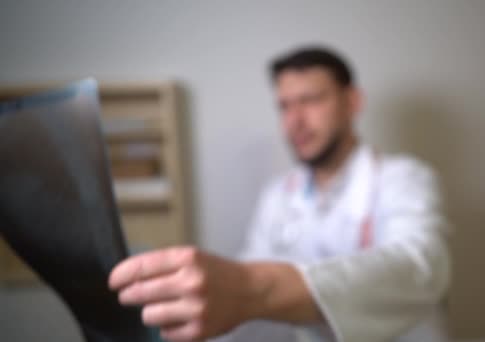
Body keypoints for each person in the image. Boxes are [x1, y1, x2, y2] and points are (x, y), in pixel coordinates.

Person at [108, 46, 452, 342]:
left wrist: (254, 288)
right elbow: (247, 291)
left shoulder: (403, 178)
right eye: (284, 106)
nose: (294, 120)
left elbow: (420, 267)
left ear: (352, 101)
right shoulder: (278, 195)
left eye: (311, 100)